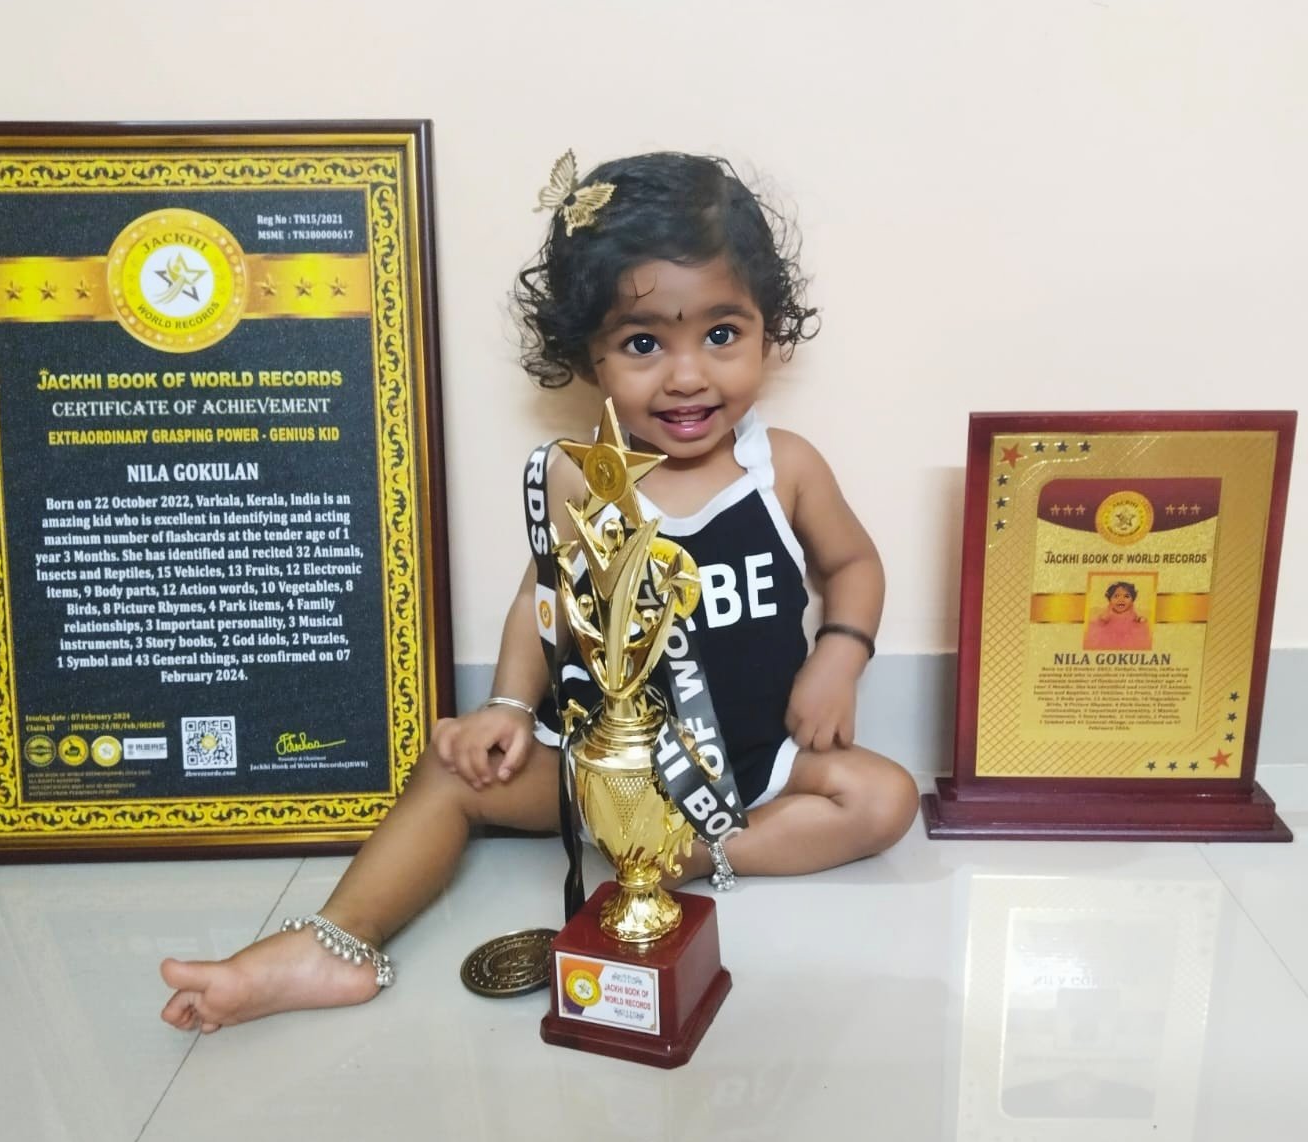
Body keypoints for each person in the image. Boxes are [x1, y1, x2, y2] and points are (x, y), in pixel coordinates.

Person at [160, 150, 919, 1033]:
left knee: (884, 799)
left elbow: (852, 565)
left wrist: (839, 656)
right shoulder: (577, 478)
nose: (686, 375)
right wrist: (508, 708)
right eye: (643, 344)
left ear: (767, 330)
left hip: (758, 763)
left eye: (721, 334)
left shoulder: (782, 467)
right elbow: (540, 602)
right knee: (451, 774)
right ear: (585, 353)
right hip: (596, 773)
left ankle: (679, 857)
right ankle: (336, 943)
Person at [1083, 580, 1152, 651]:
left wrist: (1140, 620)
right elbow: (1100, 621)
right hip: (1109, 638)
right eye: (1116, 596)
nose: (1121, 600)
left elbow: (1136, 618)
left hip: (1128, 638)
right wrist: (1102, 620)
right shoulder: (1107, 613)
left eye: (1126, 596)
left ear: (1132, 600)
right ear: (1110, 599)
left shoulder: (1132, 613)